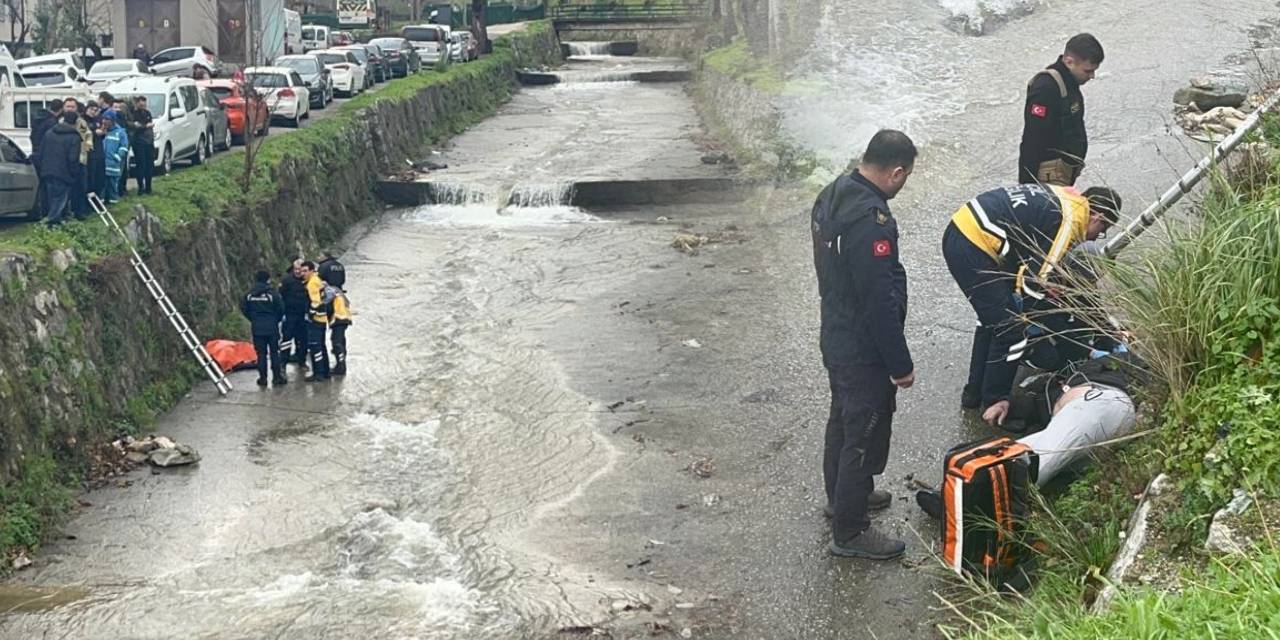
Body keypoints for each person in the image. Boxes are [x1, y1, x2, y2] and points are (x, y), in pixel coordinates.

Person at [811, 130, 918, 560]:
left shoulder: (833, 192)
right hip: (862, 345)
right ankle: (851, 530)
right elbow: (878, 301)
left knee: (842, 418)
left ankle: (842, 498)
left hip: (837, 330)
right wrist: (900, 364)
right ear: (896, 172)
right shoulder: (870, 219)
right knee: (863, 431)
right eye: (906, 176)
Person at [942, 183, 1121, 423]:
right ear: (1098, 216)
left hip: (964, 229)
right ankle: (996, 403)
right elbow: (1034, 288)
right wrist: (1040, 310)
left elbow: (1033, 274)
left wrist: (1107, 333)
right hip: (975, 244)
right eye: (1102, 229)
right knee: (1011, 331)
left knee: (991, 321)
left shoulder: (1069, 198)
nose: (1095, 237)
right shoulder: (1071, 221)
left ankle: (973, 394)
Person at [1018, 34, 1104, 186]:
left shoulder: (1070, 83)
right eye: (1087, 71)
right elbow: (1032, 138)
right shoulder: (1046, 88)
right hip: (1048, 175)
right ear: (1069, 62)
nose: (1092, 76)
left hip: (1064, 171)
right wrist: (1028, 185)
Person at [34, 110, 84, 227]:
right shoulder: (74, 137)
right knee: (60, 198)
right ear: (75, 122)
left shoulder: (49, 133)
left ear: (63, 119)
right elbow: (73, 158)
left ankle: (55, 220)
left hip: (47, 170)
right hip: (64, 173)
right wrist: (74, 173)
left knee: (51, 197)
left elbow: (40, 153)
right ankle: (51, 221)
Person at [241, 270, 288, 387]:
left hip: (257, 328)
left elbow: (244, 308)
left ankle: (263, 378)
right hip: (272, 327)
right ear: (268, 280)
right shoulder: (272, 294)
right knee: (274, 353)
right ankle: (277, 377)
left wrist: (253, 318)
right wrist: (275, 320)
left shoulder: (249, 295)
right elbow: (281, 309)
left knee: (261, 354)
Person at [299, 261, 331, 381]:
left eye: (305, 271)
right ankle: (326, 371)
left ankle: (318, 373)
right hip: (322, 318)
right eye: (302, 271)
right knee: (322, 346)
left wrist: (310, 315)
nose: (303, 274)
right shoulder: (317, 280)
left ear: (312, 271)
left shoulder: (312, 283)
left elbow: (316, 302)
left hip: (316, 320)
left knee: (315, 346)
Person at [279, 258, 310, 365]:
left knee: (303, 339)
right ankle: (283, 361)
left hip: (303, 315)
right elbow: (281, 296)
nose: (297, 271)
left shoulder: (308, 280)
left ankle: (302, 360)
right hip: (290, 314)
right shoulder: (287, 280)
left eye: (299, 269)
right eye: (295, 269)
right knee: (286, 338)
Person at [127, 96, 155, 195]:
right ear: (137, 103)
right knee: (141, 165)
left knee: (149, 165)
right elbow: (136, 126)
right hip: (138, 143)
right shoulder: (134, 114)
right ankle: (140, 188)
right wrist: (145, 126)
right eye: (141, 104)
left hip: (148, 142)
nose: (143, 106)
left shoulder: (147, 113)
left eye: (144, 104)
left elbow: (150, 125)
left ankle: (148, 187)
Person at [101, 113, 130, 204]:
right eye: (103, 119)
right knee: (102, 184)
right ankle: (102, 203)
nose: (104, 121)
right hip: (102, 163)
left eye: (107, 119)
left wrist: (117, 157)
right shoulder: (102, 131)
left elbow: (124, 147)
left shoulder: (120, 132)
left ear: (113, 121)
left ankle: (113, 202)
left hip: (113, 163)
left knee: (112, 183)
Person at [85, 103, 107, 202]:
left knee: (99, 177)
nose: (93, 112)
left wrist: (103, 132)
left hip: (99, 152)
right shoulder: (83, 120)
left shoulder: (98, 120)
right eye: (91, 109)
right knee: (91, 178)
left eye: (95, 110)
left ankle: (98, 198)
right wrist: (94, 133)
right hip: (89, 153)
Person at [330, 286, 351, 376]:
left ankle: (341, 367)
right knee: (341, 341)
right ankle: (341, 364)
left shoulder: (330, 292)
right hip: (345, 318)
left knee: (337, 343)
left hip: (339, 319)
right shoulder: (337, 291)